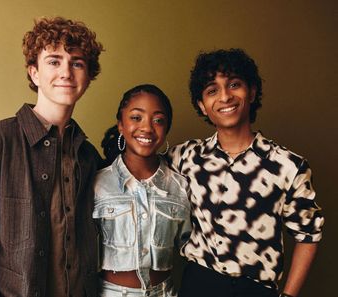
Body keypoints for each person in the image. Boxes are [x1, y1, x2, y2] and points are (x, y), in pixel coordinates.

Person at [0, 17, 104, 297]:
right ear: (34, 73)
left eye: (77, 63)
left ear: (88, 77)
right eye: (54, 61)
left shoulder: (88, 156)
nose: (66, 72)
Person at [167, 48, 324, 297]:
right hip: (198, 284)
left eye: (234, 84)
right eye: (212, 90)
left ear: (251, 92)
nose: (225, 96)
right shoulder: (184, 157)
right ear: (202, 105)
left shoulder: (288, 165)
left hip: (256, 289)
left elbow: (308, 234)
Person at [93, 84, 191, 296]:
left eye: (158, 120)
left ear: (166, 130)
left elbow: (193, 250)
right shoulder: (97, 184)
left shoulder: (180, 187)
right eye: (136, 117)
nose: (147, 127)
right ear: (120, 124)